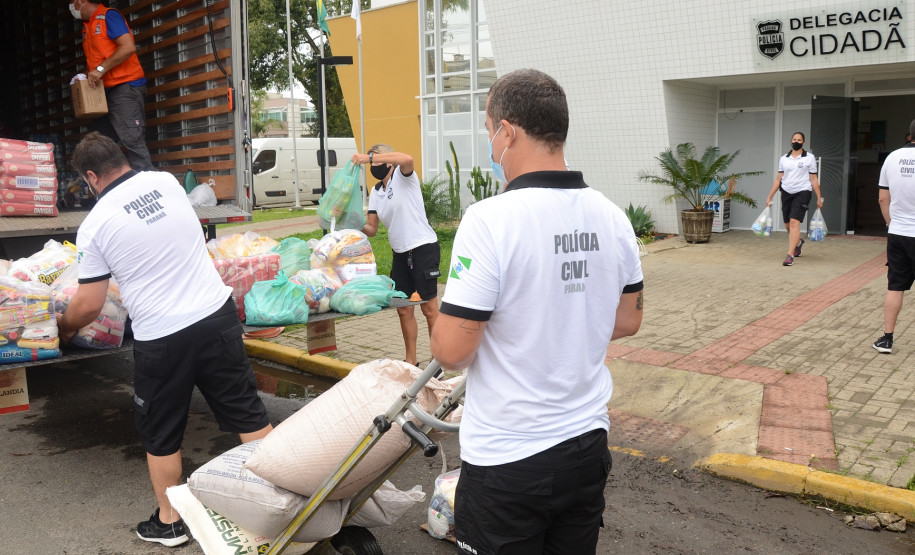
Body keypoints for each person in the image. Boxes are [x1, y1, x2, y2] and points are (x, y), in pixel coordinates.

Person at [430, 69, 644, 555]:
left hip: (509, 457)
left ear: (507, 131)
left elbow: (452, 351)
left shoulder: (490, 220)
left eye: (489, 134)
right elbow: (629, 319)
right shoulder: (612, 215)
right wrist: (564, 315)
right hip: (587, 445)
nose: (489, 147)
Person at [57, 132, 273, 547]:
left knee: (161, 431)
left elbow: (88, 305)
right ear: (121, 159)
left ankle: (170, 521)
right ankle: (286, 497)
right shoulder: (166, 182)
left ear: (90, 177)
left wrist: (65, 329)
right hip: (217, 316)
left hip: (163, 338)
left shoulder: (96, 224)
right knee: (248, 413)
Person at [352, 145, 441, 367]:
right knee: (403, 309)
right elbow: (372, 228)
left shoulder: (404, 177)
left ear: (388, 162)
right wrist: (353, 223)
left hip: (423, 248)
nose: (373, 167)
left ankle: (436, 362)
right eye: (371, 165)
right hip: (400, 253)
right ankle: (411, 361)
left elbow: (408, 157)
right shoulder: (376, 192)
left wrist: (370, 156)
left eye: (376, 163)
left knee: (429, 308)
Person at [70, 0, 155, 172]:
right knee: (97, 144)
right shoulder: (88, 26)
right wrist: (88, 75)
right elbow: (100, 59)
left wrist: (100, 69)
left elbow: (128, 47)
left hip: (125, 86)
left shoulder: (109, 16)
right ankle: (105, 192)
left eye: (72, 3)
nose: (71, 8)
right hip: (105, 93)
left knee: (132, 140)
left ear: (81, 1)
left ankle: (151, 191)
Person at [873, 121, 915, 354]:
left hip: (898, 233)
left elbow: (882, 199)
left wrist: (891, 224)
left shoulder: (892, 158)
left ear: (910, 135)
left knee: (895, 286)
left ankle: (887, 339)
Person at [765, 131, 824, 266]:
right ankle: (798, 242)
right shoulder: (784, 158)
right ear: (791, 141)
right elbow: (778, 179)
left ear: (803, 142)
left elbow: (814, 179)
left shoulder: (809, 158)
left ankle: (790, 255)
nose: (796, 142)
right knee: (787, 224)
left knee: (794, 222)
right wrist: (769, 196)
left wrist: (819, 197)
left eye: (799, 140)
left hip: (803, 192)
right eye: (794, 139)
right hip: (786, 191)